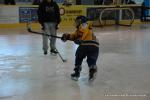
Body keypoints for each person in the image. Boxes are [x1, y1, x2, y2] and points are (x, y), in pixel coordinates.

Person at [61, 16, 99, 81]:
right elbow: (74, 36)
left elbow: (83, 31)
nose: (76, 23)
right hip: (95, 46)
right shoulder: (79, 29)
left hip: (86, 44)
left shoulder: (84, 25)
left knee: (79, 56)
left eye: (77, 21)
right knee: (91, 60)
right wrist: (67, 36)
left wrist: (80, 39)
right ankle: (92, 70)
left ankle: (77, 73)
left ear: (81, 21)